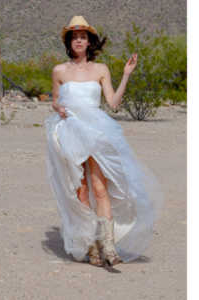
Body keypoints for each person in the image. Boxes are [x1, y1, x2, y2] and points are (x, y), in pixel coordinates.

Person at [44, 16, 163, 268]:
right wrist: (59, 108)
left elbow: (113, 103)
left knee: (100, 188)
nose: (79, 40)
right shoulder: (59, 70)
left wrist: (126, 75)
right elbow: (55, 100)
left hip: (97, 132)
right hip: (69, 133)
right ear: (69, 41)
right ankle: (90, 245)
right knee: (81, 190)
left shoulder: (100, 70)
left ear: (89, 42)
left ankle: (108, 245)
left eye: (83, 37)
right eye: (74, 37)